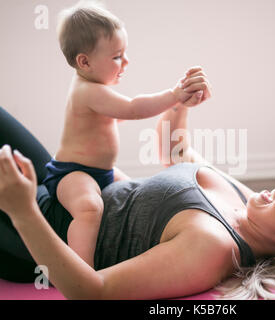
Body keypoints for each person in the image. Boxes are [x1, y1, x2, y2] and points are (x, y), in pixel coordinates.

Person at [0, 81, 275, 299]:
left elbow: (91, 292)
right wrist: (182, 104)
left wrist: (21, 210)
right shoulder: (242, 201)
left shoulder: (213, 248)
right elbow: (176, 152)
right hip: (63, 186)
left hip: (28, 236)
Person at [43, 2, 206, 267]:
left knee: (136, 192)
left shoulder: (94, 89)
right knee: (88, 209)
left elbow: (115, 116)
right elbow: (133, 109)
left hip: (102, 172)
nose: (126, 61)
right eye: (117, 56)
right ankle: (78, 270)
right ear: (84, 61)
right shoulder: (88, 91)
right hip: (71, 173)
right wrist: (174, 95)